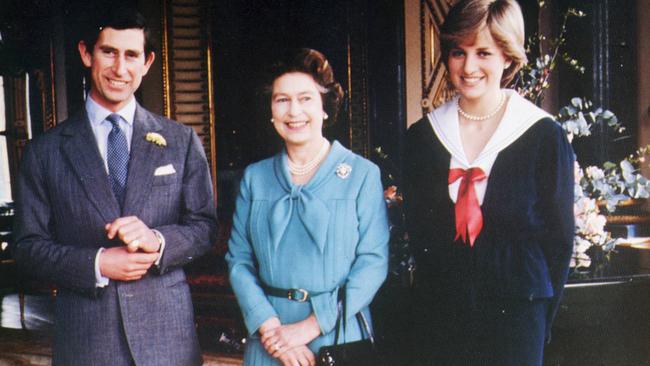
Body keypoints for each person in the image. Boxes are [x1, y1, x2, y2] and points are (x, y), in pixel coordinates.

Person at [12, 7, 217, 366]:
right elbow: (28, 247)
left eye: (131, 55)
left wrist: (159, 241)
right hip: (88, 342)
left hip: (168, 341)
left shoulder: (181, 140)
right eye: (108, 52)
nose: (120, 69)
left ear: (147, 62)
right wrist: (98, 263)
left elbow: (204, 227)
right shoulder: (45, 151)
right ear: (86, 54)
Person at [403, 0, 574, 365]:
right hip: (440, 319)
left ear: (508, 57)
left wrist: (541, 320)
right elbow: (419, 237)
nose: (468, 67)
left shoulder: (543, 136)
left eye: (483, 52)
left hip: (517, 319)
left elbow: (560, 241)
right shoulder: (422, 138)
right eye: (458, 52)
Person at [226, 48, 389, 366]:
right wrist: (274, 334)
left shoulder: (361, 174)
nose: (293, 111)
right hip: (269, 338)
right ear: (271, 112)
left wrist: (307, 328)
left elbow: (373, 263)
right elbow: (238, 262)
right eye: (281, 100)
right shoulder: (254, 178)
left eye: (305, 98)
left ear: (325, 108)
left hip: (337, 337)